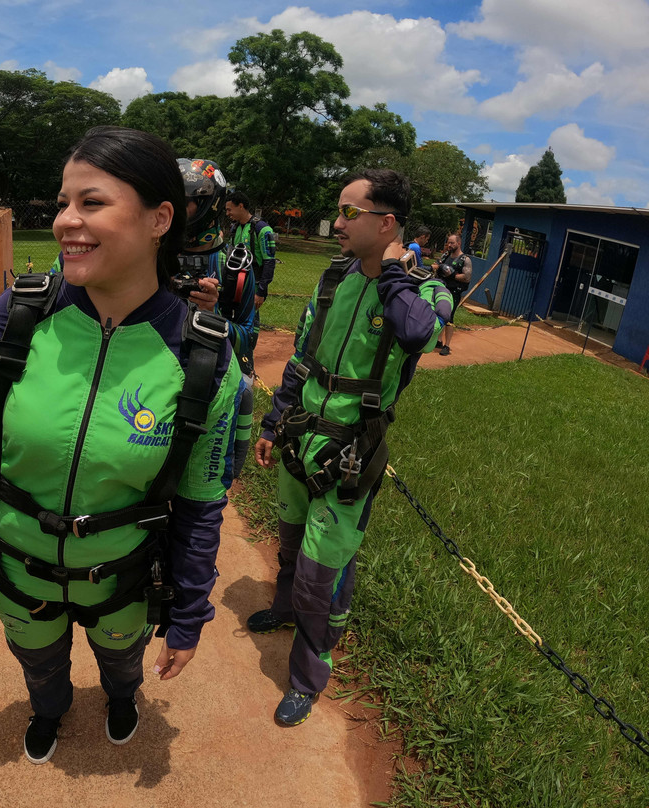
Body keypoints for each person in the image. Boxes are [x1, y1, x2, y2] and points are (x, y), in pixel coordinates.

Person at [0, 127, 245, 765]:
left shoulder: (203, 358)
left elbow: (201, 502)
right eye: (64, 202)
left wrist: (188, 613)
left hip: (122, 575)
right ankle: (49, 708)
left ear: (159, 219)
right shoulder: (17, 316)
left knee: (122, 663)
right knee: (38, 664)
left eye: (92, 203)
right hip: (15, 567)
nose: (66, 220)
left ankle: (121, 699)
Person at [249, 169, 451, 727]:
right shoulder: (333, 278)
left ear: (386, 223)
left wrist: (393, 274)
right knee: (291, 543)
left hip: (350, 451)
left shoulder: (424, 289)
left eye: (349, 213)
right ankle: (284, 607)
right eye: (338, 211)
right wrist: (273, 422)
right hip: (301, 436)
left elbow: (418, 333)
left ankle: (307, 676)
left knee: (323, 572)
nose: (337, 223)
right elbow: (303, 355)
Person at [176, 160, 257, 378]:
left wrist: (212, 315)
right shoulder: (155, 258)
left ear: (208, 205)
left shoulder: (235, 266)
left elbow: (248, 338)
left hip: (213, 375)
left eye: (182, 202)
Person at [224, 191, 277, 350]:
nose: (227, 213)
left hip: (253, 285)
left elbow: (269, 261)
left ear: (240, 206)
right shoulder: (234, 228)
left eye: (229, 209)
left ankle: (247, 354)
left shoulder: (262, 229)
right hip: (234, 284)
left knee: (251, 320)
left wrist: (261, 291)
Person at [434, 232, 472, 356]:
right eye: (448, 242)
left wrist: (453, 274)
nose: (449, 245)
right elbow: (437, 265)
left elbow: (467, 277)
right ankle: (439, 341)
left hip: (454, 292)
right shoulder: (445, 255)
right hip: (441, 288)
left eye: (452, 243)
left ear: (458, 243)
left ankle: (447, 345)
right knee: (439, 313)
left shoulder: (465, 259)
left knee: (449, 317)